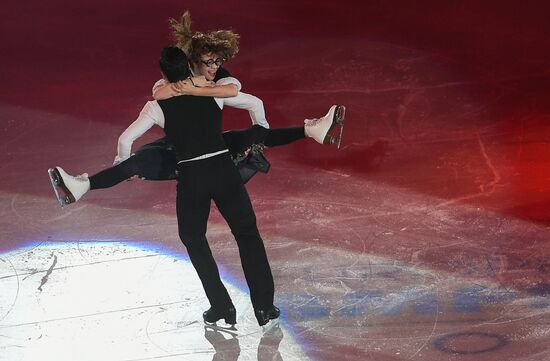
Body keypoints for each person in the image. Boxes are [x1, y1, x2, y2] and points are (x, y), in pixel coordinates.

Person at [49, 12, 344, 206]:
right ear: (193, 63)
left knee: (245, 135)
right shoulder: (188, 90)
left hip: (197, 156)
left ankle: (312, 131)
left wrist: (261, 134)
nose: (214, 68)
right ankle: (85, 186)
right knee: (142, 159)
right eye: (208, 63)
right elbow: (240, 98)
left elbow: (247, 98)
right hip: (181, 156)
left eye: (217, 62)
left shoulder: (213, 85)